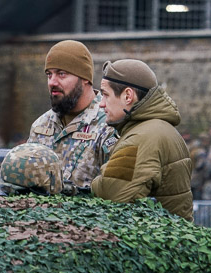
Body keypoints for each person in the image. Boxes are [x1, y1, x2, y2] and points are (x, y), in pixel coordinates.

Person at [90, 59, 193, 221]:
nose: (101, 104)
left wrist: (92, 184)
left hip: (152, 242)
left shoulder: (140, 138)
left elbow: (111, 193)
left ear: (128, 96)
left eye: (105, 95)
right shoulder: (158, 128)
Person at [27, 40, 116, 193]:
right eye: (49, 74)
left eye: (61, 74)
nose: (52, 82)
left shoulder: (108, 125)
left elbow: (115, 191)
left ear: (85, 78)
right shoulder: (41, 125)